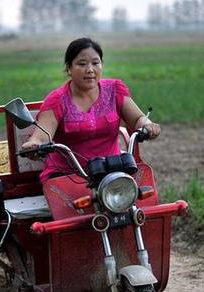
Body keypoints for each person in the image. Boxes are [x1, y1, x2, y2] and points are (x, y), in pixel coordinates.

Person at [21, 37, 161, 183]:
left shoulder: (115, 90)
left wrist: (147, 124)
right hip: (68, 175)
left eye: (95, 63)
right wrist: (34, 144)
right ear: (69, 68)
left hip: (112, 170)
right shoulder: (56, 100)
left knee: (140, 198)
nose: (90, 70)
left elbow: (138, 118)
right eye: (82, 64)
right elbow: (42, 135)